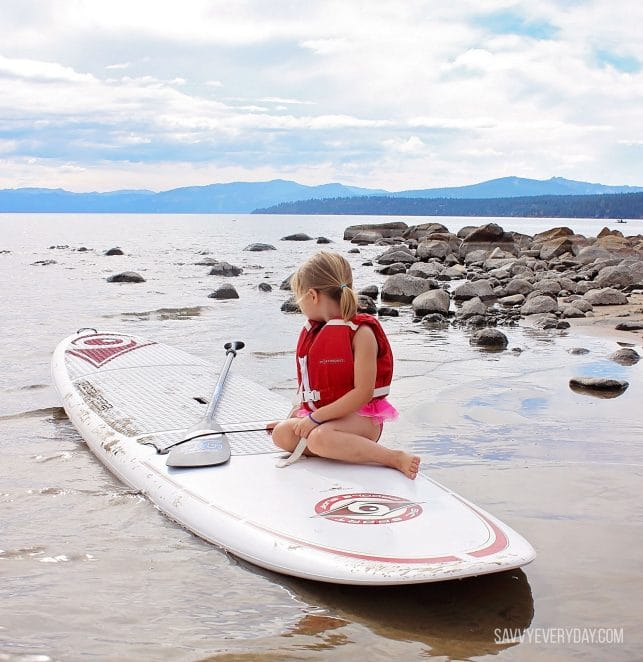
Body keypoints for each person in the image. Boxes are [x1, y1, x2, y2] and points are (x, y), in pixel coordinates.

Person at [271, 251, 420, 479]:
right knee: (281, 434)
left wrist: (314, 419)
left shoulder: (361, 334)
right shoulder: (317, 331)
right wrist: (298, 416)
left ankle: (392, 457)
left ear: (312, 295)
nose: (299, 306)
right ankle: (335, 448)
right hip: (325, 418)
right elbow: (308, 389)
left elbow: (363, 393)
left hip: (362, 419)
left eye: (298, 298)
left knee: (320, 438)